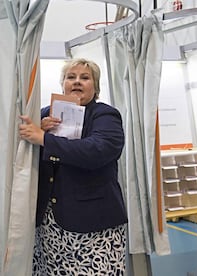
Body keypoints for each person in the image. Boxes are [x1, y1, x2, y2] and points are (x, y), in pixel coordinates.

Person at [19, 58, 128, 275]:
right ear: (63, 84)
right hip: (49, 226)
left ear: (95, 87)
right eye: (71, 77)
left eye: (85, 78)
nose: (77, 82)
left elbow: (97, 151)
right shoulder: (44, 115)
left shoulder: (105, 115)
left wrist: (44, 139)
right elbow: (27, 158)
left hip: (94, 228)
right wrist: (39, 132)